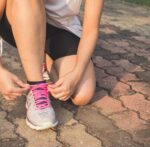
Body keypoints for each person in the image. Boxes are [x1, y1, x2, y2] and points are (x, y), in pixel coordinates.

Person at [0, 0, 104, 130]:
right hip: (20, 17)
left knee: (82, 95)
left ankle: (43, 58)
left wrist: (76, 74)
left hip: (60, 29)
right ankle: (36, 86)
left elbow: (91, 30)